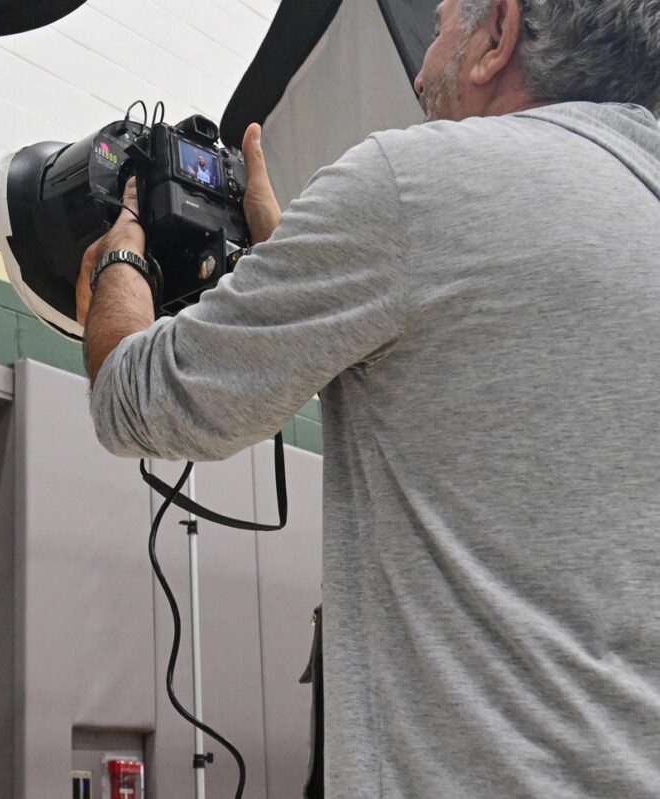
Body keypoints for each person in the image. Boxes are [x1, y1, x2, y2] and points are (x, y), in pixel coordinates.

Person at [76, 0, 660, 796]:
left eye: (446, 20)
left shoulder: (419, 183)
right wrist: (297, 269)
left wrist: (122, 266)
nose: (424, 66)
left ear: (499, 35)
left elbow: (140, 399)